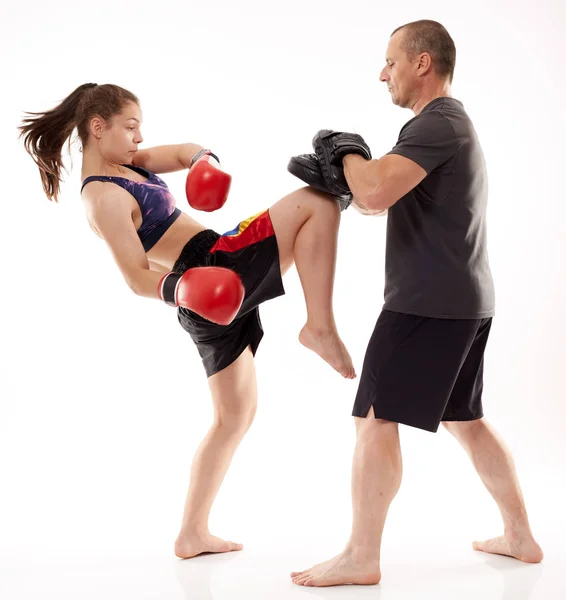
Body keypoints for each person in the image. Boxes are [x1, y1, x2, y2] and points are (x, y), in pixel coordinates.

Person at [18, 82, 357, 560]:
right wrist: (184, 288)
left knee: (233, 419)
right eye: (130, 127)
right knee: (317, 202)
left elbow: (179, 152)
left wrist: (203, 160)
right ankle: (318, 326)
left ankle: (191, 534)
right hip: (209, 270)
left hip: (207, 296)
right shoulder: (102, 197)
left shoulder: (127, 164)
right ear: (99, 128)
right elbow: (136, 277)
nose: (139, 138)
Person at [290, 19, 543, 588]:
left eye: (391, 61)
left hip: (426, 302)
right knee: (466, 419)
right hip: (463, 299)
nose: (384, 73)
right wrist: (352, 176)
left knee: (374, 420)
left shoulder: (438, 121)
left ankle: (361, 555)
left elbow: (375, 189)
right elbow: (378, 201)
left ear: (422, 63)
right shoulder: (441, 127)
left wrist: (349, 154)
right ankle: (521, 536)